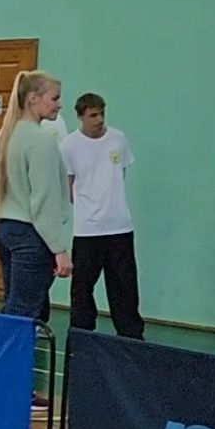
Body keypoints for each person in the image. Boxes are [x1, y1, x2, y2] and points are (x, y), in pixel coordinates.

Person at [0, 71, 74, 325]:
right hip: (30, 234)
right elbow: (44, 201)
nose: (59, 104)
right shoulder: (40, 141)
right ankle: (6, 362)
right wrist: (59, 250)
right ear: (34, 98)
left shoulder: (5, 137)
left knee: (17, 306)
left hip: (5, 230)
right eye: (55, 98)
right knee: (22, 313)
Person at [60, 93, 144, 339]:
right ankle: (81, 335)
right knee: (83, 288)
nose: (99, 120)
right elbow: (69, 186)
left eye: (102, 114)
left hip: (120, 228)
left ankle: (131, 337)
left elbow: (121, 174)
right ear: (80, 117)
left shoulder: (118, 139)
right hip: (88, 231)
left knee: (125, 288)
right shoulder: (69, 146)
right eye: (93, 115)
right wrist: (90, 208)